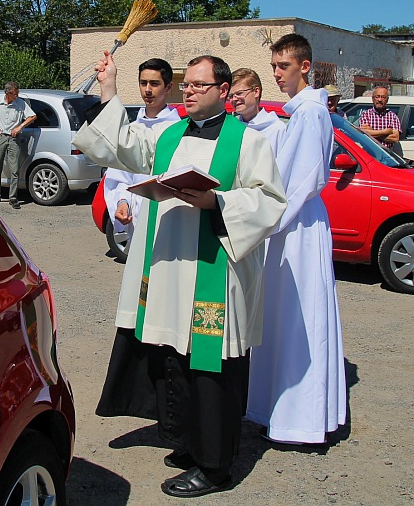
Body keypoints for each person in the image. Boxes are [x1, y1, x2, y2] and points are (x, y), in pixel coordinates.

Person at [72, 52, 286, 498]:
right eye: (185, 85)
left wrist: (218, 204)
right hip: (170, 270)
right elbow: (119, 146)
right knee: (177, 359)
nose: (187, 91)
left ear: (224, 92)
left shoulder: (247, 142)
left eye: (198, 85)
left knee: (211, 369)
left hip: (215, 273)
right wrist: (110, 88)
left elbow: (270, 203)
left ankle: (215, 466)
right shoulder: (168, 137)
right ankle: (190, 442)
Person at [246, 33, 347, 445]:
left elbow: (300, 180)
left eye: (282, 67)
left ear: (305, 66)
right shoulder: (303, 111)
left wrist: (261, 222)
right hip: (291, 223)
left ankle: (299, 418)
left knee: (298, 317)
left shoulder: (309, 114)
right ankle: (277, 407)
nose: (276, 74)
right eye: (273, 67)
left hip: (297, 226)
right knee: (283, 314)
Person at [103, 58, 181, 243]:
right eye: (143, 83)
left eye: (154, 83)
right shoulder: (131, 130)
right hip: (138, 224)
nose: (147, 89)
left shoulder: (180, 131)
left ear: (168, 87)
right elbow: (121, 177)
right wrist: (122, 202)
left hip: (171, 222)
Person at [0, 82, 36, 209]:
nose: (17, 95)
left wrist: (20, 126)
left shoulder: (20, 103)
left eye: (17, 93)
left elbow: (32, 116)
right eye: (15, 93)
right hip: (0, 136)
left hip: (14, 138)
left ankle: (13, 197)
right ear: (7, 93)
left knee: (14, 168)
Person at [229, 68, 285, 155]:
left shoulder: (276, 129)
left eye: (239, 93)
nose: (234, 99)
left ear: (256, 92)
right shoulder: (232, 128)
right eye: (231, 96)